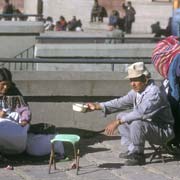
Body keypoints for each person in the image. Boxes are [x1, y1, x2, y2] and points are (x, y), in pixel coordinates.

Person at [86, 62, 174, 166]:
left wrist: (117, 122)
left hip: (163, 131)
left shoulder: (154, 93)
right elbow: (120, 102)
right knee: (121, 116)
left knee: (136, 123)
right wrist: (97, 106)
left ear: (145, 79)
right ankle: (132, 149)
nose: (132, 83)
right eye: (131, 80)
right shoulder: (137, 91)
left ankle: (138, 155)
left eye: (135, 80)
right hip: (150, 126)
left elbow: (140, 113)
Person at [0, 67, 31, 154]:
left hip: (11, 123)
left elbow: (24, 109)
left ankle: (14, 150)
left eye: (8, 84)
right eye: (3, 84)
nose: (6, 87)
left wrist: (24, 120)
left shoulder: (14, 92)